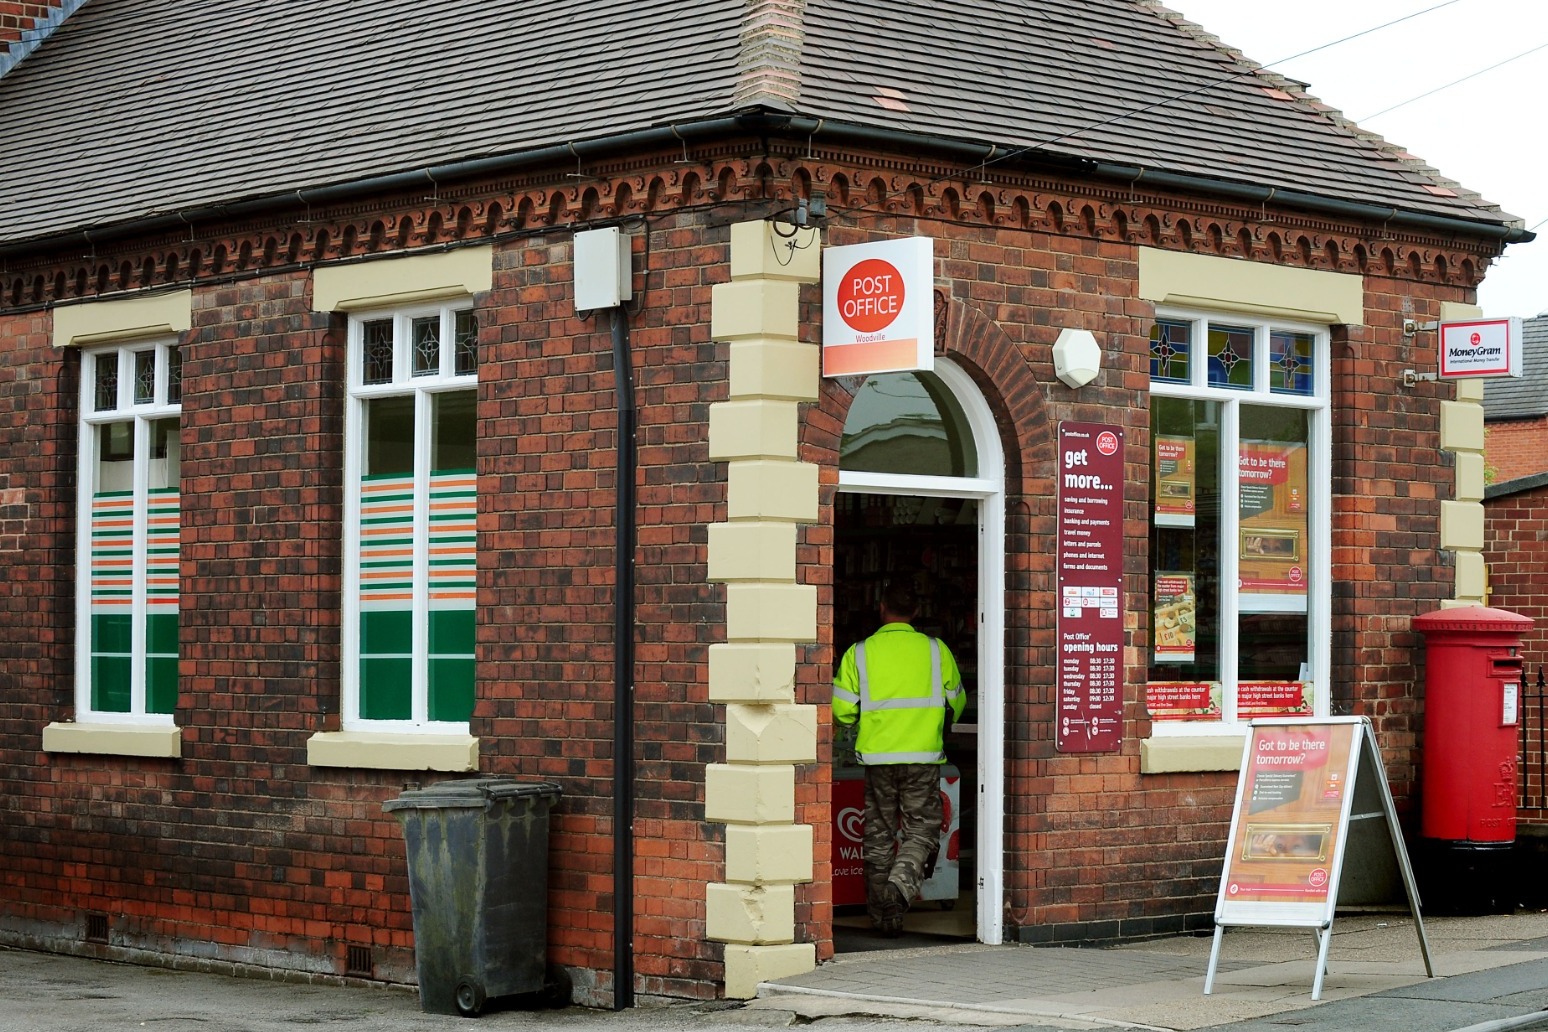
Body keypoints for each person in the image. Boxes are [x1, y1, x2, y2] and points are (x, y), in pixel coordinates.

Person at [832, 581, 965, 935]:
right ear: (916, 612)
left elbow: (841, 711)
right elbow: (959, 701)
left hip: (876, 760)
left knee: (877, 836)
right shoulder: (937, 650)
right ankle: (900, 887)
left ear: (881, 608)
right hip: (922, 758)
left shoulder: (859, 653)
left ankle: (884, 917)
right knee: (921, 830)